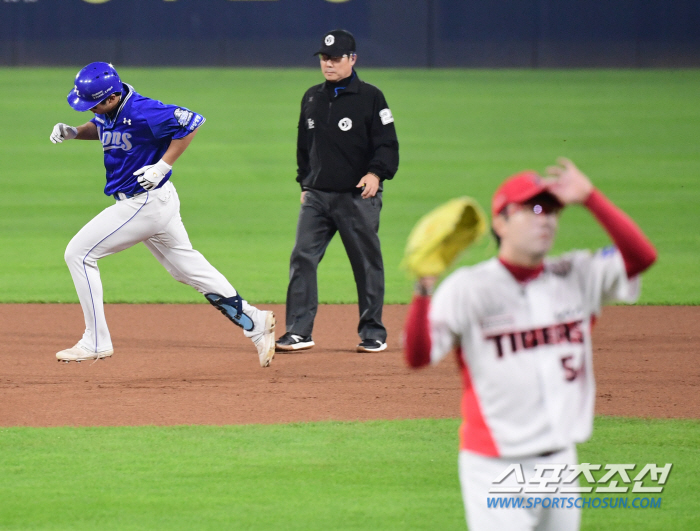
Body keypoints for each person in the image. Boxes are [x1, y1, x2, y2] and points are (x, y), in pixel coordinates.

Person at [403, 158, 657, 531]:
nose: (546, 219)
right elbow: (418, 356)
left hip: (560, 464)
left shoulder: (576, 276)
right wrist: (424, 289)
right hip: (494, 465)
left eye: (553, 210)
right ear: (501, 221)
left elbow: (642, 258)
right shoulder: (469, 288)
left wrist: (590, 198)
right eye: (534, 208)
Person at [50, 62, 276, 367]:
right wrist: (74, 132)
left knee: (78, 254)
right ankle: (256, 322)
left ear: (112, 97)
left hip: (142, 203)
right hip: (155, 204)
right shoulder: (111, 109)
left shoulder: (144, 111)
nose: (91, 110)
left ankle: (96, 339)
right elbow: (104, 127)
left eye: (94, 105)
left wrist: (163, 165)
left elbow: (191, 122)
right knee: (186, 269)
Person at [276, 29, 399, 354]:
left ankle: (373, 332)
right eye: (324, 59)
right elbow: (305, 145)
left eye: (335, 58)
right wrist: (305, 182)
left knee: (366, 263)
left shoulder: (371, 97)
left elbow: (388, 145)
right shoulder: (312, 97)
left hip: (357, 196)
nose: (328, 64)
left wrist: (376, 173)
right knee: (302, 256)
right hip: (317, 196)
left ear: (352, 59)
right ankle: (299, 331)